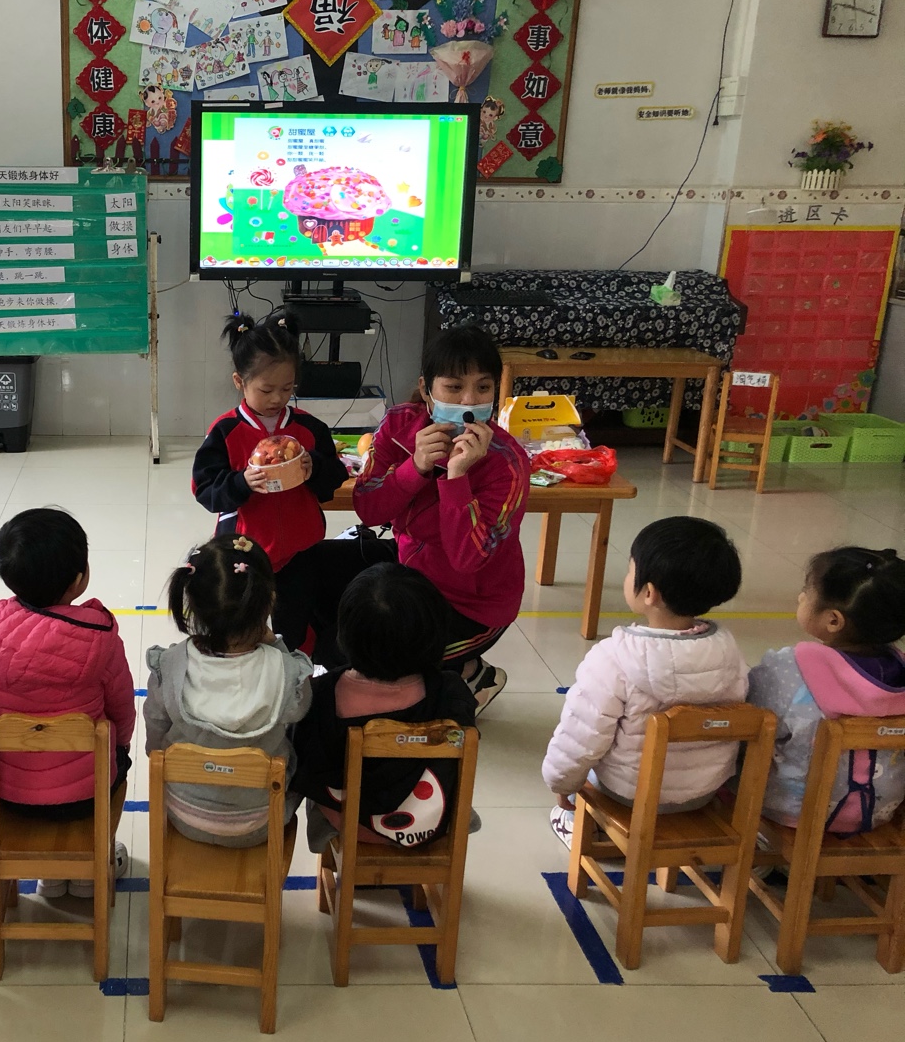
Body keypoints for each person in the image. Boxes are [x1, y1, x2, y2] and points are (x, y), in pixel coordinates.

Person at [541, 517, 749, 847]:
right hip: (704, 792)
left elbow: (582, 735)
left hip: (628, 794)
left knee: (588, 765)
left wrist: (561, 783)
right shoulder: (730, 653)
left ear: (649, 592)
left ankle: (586, 827)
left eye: (630, 570)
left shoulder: (613, 658)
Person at [352, 324, 531, 707]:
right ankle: (454, 672)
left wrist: (457, 476)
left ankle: (471, 675)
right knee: (331, 605)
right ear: (426, 389)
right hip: (412, 573)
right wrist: (414, 466)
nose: (469, 401)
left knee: (385, 662)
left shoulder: (507, 463)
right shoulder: (400, 425)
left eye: (483, 388)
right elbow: (368, 509)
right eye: (453, 387)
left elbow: (468, 559)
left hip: (471, 604)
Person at [0, 508, 135, 898]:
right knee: (117, 753)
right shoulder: (100, 637)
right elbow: (122, 709)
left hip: (10, 792)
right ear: (79, 579)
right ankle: (88, 871)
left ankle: (49, 874)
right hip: (85, 797)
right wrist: (121, 745)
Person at [291, 563, 478, 853]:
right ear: (436, 632)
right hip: (427, 824)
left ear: (345, 632)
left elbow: (304, 766)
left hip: (349, 825)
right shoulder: (451, 694)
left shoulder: (322, 694)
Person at [192, 311, 348, 651]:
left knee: (295, 628)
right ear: (239, 381)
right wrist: (241, 482)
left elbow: (335, 478)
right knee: (242, 623)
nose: (277, 398)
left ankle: (295, 673)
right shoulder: (225, 431)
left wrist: (314, 467)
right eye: (266, 389)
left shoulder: (309, 428)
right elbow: (206, 491)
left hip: (300, 547)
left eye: (287, 388)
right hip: (245, 548)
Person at [144, 534, 313, 847]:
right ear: (268, 602)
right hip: (261, 822)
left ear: (192, 606)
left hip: (184, 814)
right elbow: (301, 709)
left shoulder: (170, 666)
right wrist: (276, 644)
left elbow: (155, 735)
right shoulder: (287, 672)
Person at [747, 547, 905, 836]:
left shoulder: (789, 669)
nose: (801, 597)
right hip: (880, 811)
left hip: (793, 811)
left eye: (808, 591)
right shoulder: (900, 673)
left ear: (833, 620)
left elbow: (751, 719)